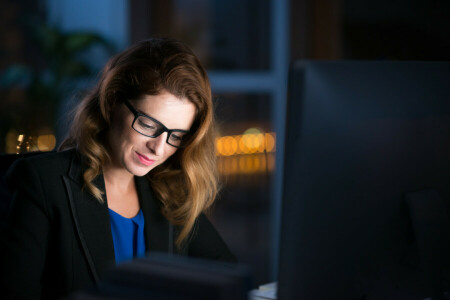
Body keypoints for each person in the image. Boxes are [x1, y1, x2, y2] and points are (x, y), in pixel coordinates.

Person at [0, 37, 236, 299]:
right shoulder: (44, 183)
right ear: (112, 101)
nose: (158, 149)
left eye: (176, 135)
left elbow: (230, 275)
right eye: (148, 125)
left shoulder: (169, 192)